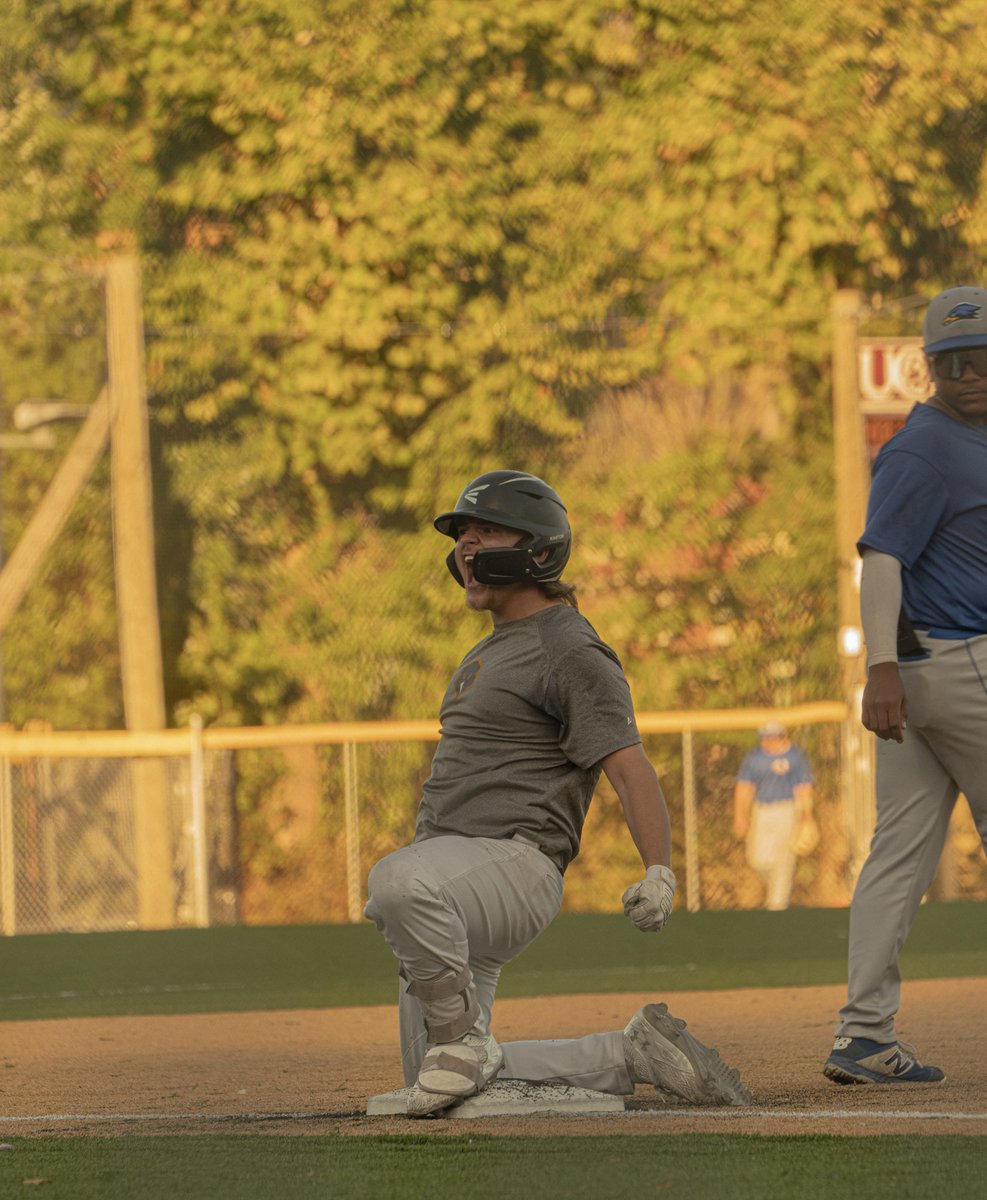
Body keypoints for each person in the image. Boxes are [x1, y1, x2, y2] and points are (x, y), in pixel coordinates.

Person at [364, 470, 752, 1117]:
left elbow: (630, 767)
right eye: (460, 533)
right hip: (458, 870)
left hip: (515, 865)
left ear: (538, 547)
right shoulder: (486, 650)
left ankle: (463, 1043)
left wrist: (659, 870)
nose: (465, 545)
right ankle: (627, 1055)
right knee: (435, 1079)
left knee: (398, 884)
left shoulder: (566, 644)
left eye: (485, 530)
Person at [824, 285, 987, 1086]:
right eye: (952, 362)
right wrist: (878, 667)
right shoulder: (927, 448)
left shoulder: (961, 441)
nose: (969, 374)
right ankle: (860, 1032)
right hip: (960, 666)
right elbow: (881, 555)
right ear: (927, 369)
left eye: (980, 358)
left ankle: (862, 1037)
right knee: (895, 859)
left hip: (930, 678)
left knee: (895, 860)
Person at [732, 722, 816, 911]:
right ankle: (778, 893)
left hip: (787, 809)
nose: (768, 741)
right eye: (765, 737)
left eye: (772, 737)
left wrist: (806, 816)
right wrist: (740, 815)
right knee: (757, 859)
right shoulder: (755, 758)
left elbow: (803, 788)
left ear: (782, 736)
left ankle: (777, 906)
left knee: (783, 860)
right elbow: (744, 787)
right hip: (761, 810)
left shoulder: (795, 756)